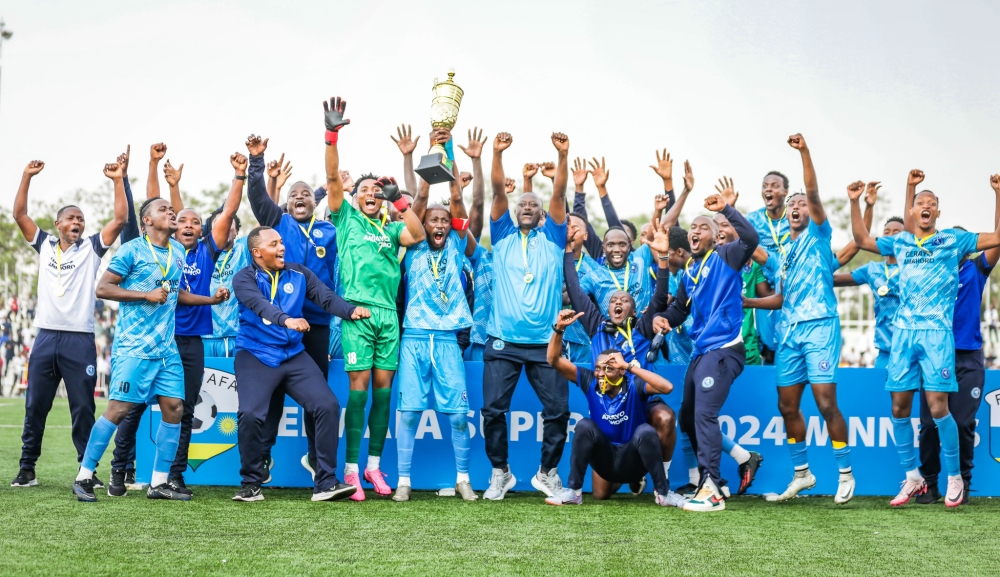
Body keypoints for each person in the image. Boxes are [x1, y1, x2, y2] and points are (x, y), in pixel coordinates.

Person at [851, 170, 1000, 508]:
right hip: (903, 336)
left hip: (938, 338)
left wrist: (997, 193)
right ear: (914, 212)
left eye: (932, 204)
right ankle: (914, 477)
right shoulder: (902, 242)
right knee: (900, 409)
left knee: (939, 411)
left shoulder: (953, 243)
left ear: (938, 213)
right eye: (920, 203)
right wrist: (855, 201)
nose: (926, 207)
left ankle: (955, 477)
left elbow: (997, 237)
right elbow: (861, 239)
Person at [109, 148, 245, 497]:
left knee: (182, 411)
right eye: (181, 220)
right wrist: (160, 174)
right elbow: (158, 205)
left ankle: (173, 476)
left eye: (195, 222)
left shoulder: (204, 251)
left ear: (203, 230)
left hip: (192, 341)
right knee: (135, 407)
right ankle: (120, 469)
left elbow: (228, 211)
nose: (187, 224)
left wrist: (240, 176)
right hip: (159, 338)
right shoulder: (166, 251)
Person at [74, 195, 223, 502]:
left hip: (166, 349)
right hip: (134, 347)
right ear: (147, 220)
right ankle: (84, 476)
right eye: (164, 210)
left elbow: (175, 293)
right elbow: (103, 288)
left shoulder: (178, 251)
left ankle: (159, 483)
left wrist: (210, 301)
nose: (172, 213)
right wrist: (144, 295)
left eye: (172, 209)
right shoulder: (131, 250)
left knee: (175, 409)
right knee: (119, 410)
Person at [744, 136, 858, 504]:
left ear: (810, 211)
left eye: (800, 203)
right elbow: (779, 298)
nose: (795, 207)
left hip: (820, 327)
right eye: (791, 205)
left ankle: (844, 473)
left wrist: (804, 153)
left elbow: (811, 189)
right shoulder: (786, 255)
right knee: (787, 406)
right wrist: (748, 300)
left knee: (826, 403)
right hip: (789, 333)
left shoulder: (819, 236)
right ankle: (802, 475)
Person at [323, 96, 426, 500]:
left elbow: (415, 233)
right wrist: (331, 136)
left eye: (376, 191)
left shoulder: (390, 228)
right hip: (357, 314)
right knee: (360, 387)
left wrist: (398, 198)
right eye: (365, 190)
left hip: (388, 316)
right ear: (354, 197)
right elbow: (333, 181)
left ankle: (374, 468)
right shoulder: (346, 218)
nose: (371, 193)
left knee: (385, 390)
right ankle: (350, 470)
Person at [10, 155, 128, 489]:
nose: (77, 222)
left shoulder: (91, 248)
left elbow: (119, 219)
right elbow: (19, 214)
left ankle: (85, 470)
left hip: (79, 339)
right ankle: (27, 469)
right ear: (59, 224)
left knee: (83, 408)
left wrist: (117, 179)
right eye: (71, 218)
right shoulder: (44, 244)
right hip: (46, 337)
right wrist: (26, 176)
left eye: (81, 219)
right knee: (35, 406)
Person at [231, 226, 369, 502]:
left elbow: (325, 297)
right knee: (250, 414)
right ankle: (251, 483)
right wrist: (287, 320)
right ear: (257, 253)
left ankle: (326, 482)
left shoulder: (299, 273)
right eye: (274, 244)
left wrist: (350, 311)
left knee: (327, 406)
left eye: (281, 242)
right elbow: (260, 306)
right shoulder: (243, 279)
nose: (281, 247)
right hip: (256, 354)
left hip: (293, 355)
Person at [562, 216, 686, 505]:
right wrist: (569, 250)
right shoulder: (595, 325)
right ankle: (632, 472)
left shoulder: (642, 327)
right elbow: (576, 290)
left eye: (625, 300)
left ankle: (661, 483)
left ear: (633, 310)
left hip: (641, 399)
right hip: (612, 406)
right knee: (603, 495)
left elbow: (659, 294)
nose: (618, 302)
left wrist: (663, 257)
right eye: (614, 300)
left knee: (665, 417)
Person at [654, 181, 759, 512]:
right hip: (701, 354)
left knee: (704, 414)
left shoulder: (726, 255)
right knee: (687, 416)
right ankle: (710, 481)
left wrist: (726, 210)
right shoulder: (688, 270)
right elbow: (679, 309)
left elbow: (752, 240)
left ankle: (712, 490)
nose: (697, 230)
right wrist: (664, 320)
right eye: (694, 227)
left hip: (725, 350)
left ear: (716, 236)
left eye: (705, 226)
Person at [481, 130, 570, 501]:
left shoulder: (553, 238)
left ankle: (547, 472)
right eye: (523, 204)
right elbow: (499, 191)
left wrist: (564, 157)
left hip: (545, 344)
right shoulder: (500, 235)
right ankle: (500, 473)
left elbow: (561, 194)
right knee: (492, 411)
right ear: (515, 212)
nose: (528, 207)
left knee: (559, 411)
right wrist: (497, 155)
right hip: (503, 340)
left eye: (535, 204)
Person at [247, 133, 340, 479]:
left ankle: (316, 458)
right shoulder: (278, 225)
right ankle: (263, 458)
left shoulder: (330, 230)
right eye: (292, 195)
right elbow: (257, 197)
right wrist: (257, 163)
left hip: (316, 325)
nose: (299, 197)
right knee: (272, 394)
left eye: (305, 194)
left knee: (317, 396)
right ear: (285, 205)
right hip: (279, 324)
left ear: (315, 203)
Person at [393, 150, 478, 502]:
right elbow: (421, 200)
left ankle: (462, 479)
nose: (440, 225)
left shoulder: (456, 245)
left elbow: (456, 197)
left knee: (458, 416)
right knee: (410, 412)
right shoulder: (410, 248)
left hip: (446, 340)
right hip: (413, 337)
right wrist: (428, 162)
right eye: (433, 221)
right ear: (422, 225)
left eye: (444, 221)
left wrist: (449, 149)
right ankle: (404, 482)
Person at [915, 174, 1000, 505]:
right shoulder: (931, 270)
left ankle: (963, 481)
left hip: (968, 360)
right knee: (929, 425)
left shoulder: (976, 270)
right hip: (935, 355)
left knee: (963, 422)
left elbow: (996, 240)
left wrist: (997, 194)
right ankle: (930, 483)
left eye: (967, 242)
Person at [545, 313, 680, 507]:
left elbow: (667, 387)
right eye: (599, 368)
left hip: (634, 461)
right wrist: (559, 329)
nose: (601, 374)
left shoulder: (633, 383)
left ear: (621, 371)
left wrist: (628, 366)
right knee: (584, 426)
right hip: (606, 461)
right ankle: (574, 492)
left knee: (645, 431)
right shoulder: (589, 380)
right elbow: (554, 360)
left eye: (608, 369)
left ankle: (663, 494)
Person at [834, 185, 901, 370]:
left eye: (897, 233)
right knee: (883, 398)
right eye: (887, 232)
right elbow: (835, 280)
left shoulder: (914, 267)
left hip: (912, 351)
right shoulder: (872, 270)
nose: (891, 236)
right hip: (885, 352)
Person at [748, 169, 792, 364]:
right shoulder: (752, 220)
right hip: (764, 288)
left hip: (791, 288)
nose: (769, 189)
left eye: (774, 186)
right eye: (765, 186)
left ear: (785, 191)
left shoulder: (795, 218)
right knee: (767, 345)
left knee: (789, 343)